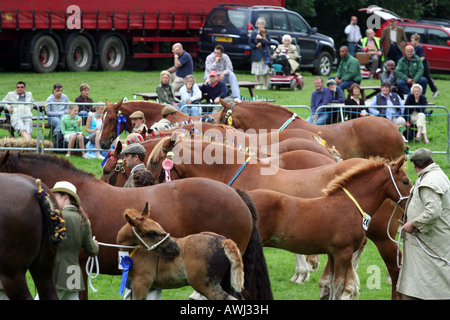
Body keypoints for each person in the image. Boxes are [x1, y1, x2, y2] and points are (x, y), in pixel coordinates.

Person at [397, 148, 450, 300]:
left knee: (432, 284)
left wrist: (413, 224)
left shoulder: (430, 181)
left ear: (415, 165)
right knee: (423, 282)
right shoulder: (435, 175)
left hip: (430, 242)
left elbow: (433, 211)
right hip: (428, 242)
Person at [49, 181, 98, 300]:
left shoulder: (57, 218)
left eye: (55, 196)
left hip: (58, 273)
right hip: (74, 275)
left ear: (65, 196)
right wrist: (95, 245)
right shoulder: (84, 220)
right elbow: (92, 250)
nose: (53, 201)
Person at [411, 33, 439, 99]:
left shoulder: (419, 47)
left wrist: (416, 62)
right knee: (423, 80)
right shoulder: (414, 48)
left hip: (424, 66)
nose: (411, 42)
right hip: (420, 67)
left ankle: (435, 91)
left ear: (417, 40)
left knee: (428, 79)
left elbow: (422, 57)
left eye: (412, 40)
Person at [249, 17, 271, 89]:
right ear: (257, 25)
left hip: (264, 54)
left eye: (262, 24)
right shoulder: (254, 33)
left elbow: (268, 43)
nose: (261, 25)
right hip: (256, 53)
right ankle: (258, 84)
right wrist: (256, 46)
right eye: (259, 24)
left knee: (264, 71)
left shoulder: (266, 33)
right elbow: (250, 43)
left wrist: (261, 39)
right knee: (257, 70)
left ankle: (264, 85)